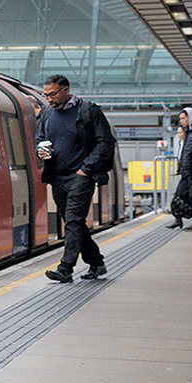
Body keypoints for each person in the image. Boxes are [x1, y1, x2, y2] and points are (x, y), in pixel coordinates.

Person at [35, 74, 115, 283]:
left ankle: (66, 268)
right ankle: (96, 263)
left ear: (66, 90)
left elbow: (105, 142)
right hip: (57, 177)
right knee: (74, 223)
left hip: (81, 176)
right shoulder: (47, 114)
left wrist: (86, 168)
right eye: (46, 95)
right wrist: (40, 150)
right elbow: (40, 139)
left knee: (73, 220)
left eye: (52, 94)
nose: (49, 99)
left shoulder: (88, 111)